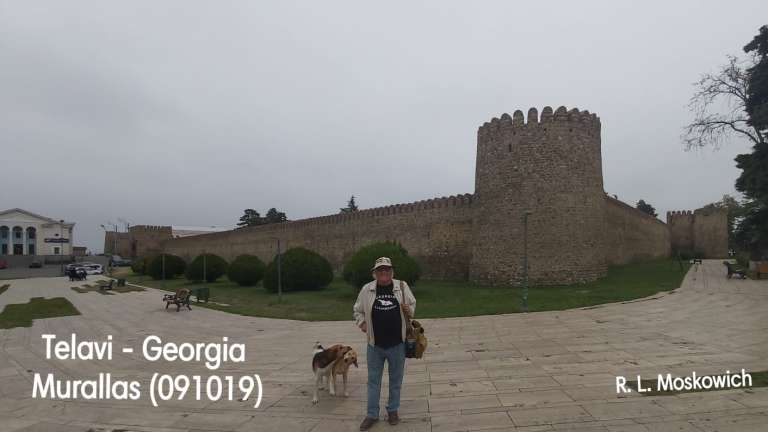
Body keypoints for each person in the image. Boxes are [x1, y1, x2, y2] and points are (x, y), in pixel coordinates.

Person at [353, 256, 416, 431]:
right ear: (375, 273)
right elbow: (357, 310)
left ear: (391, 272)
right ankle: (372, 414)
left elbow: (412, 308)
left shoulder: (401, 287)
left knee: (396, 380)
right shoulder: (367, 289)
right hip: (375, 345)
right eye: (380, 270)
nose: (384, 273)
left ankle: (393, 411)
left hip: (397, 344)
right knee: (373, 381)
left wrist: (408, 310)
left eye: (387, 270)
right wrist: (362, 323)